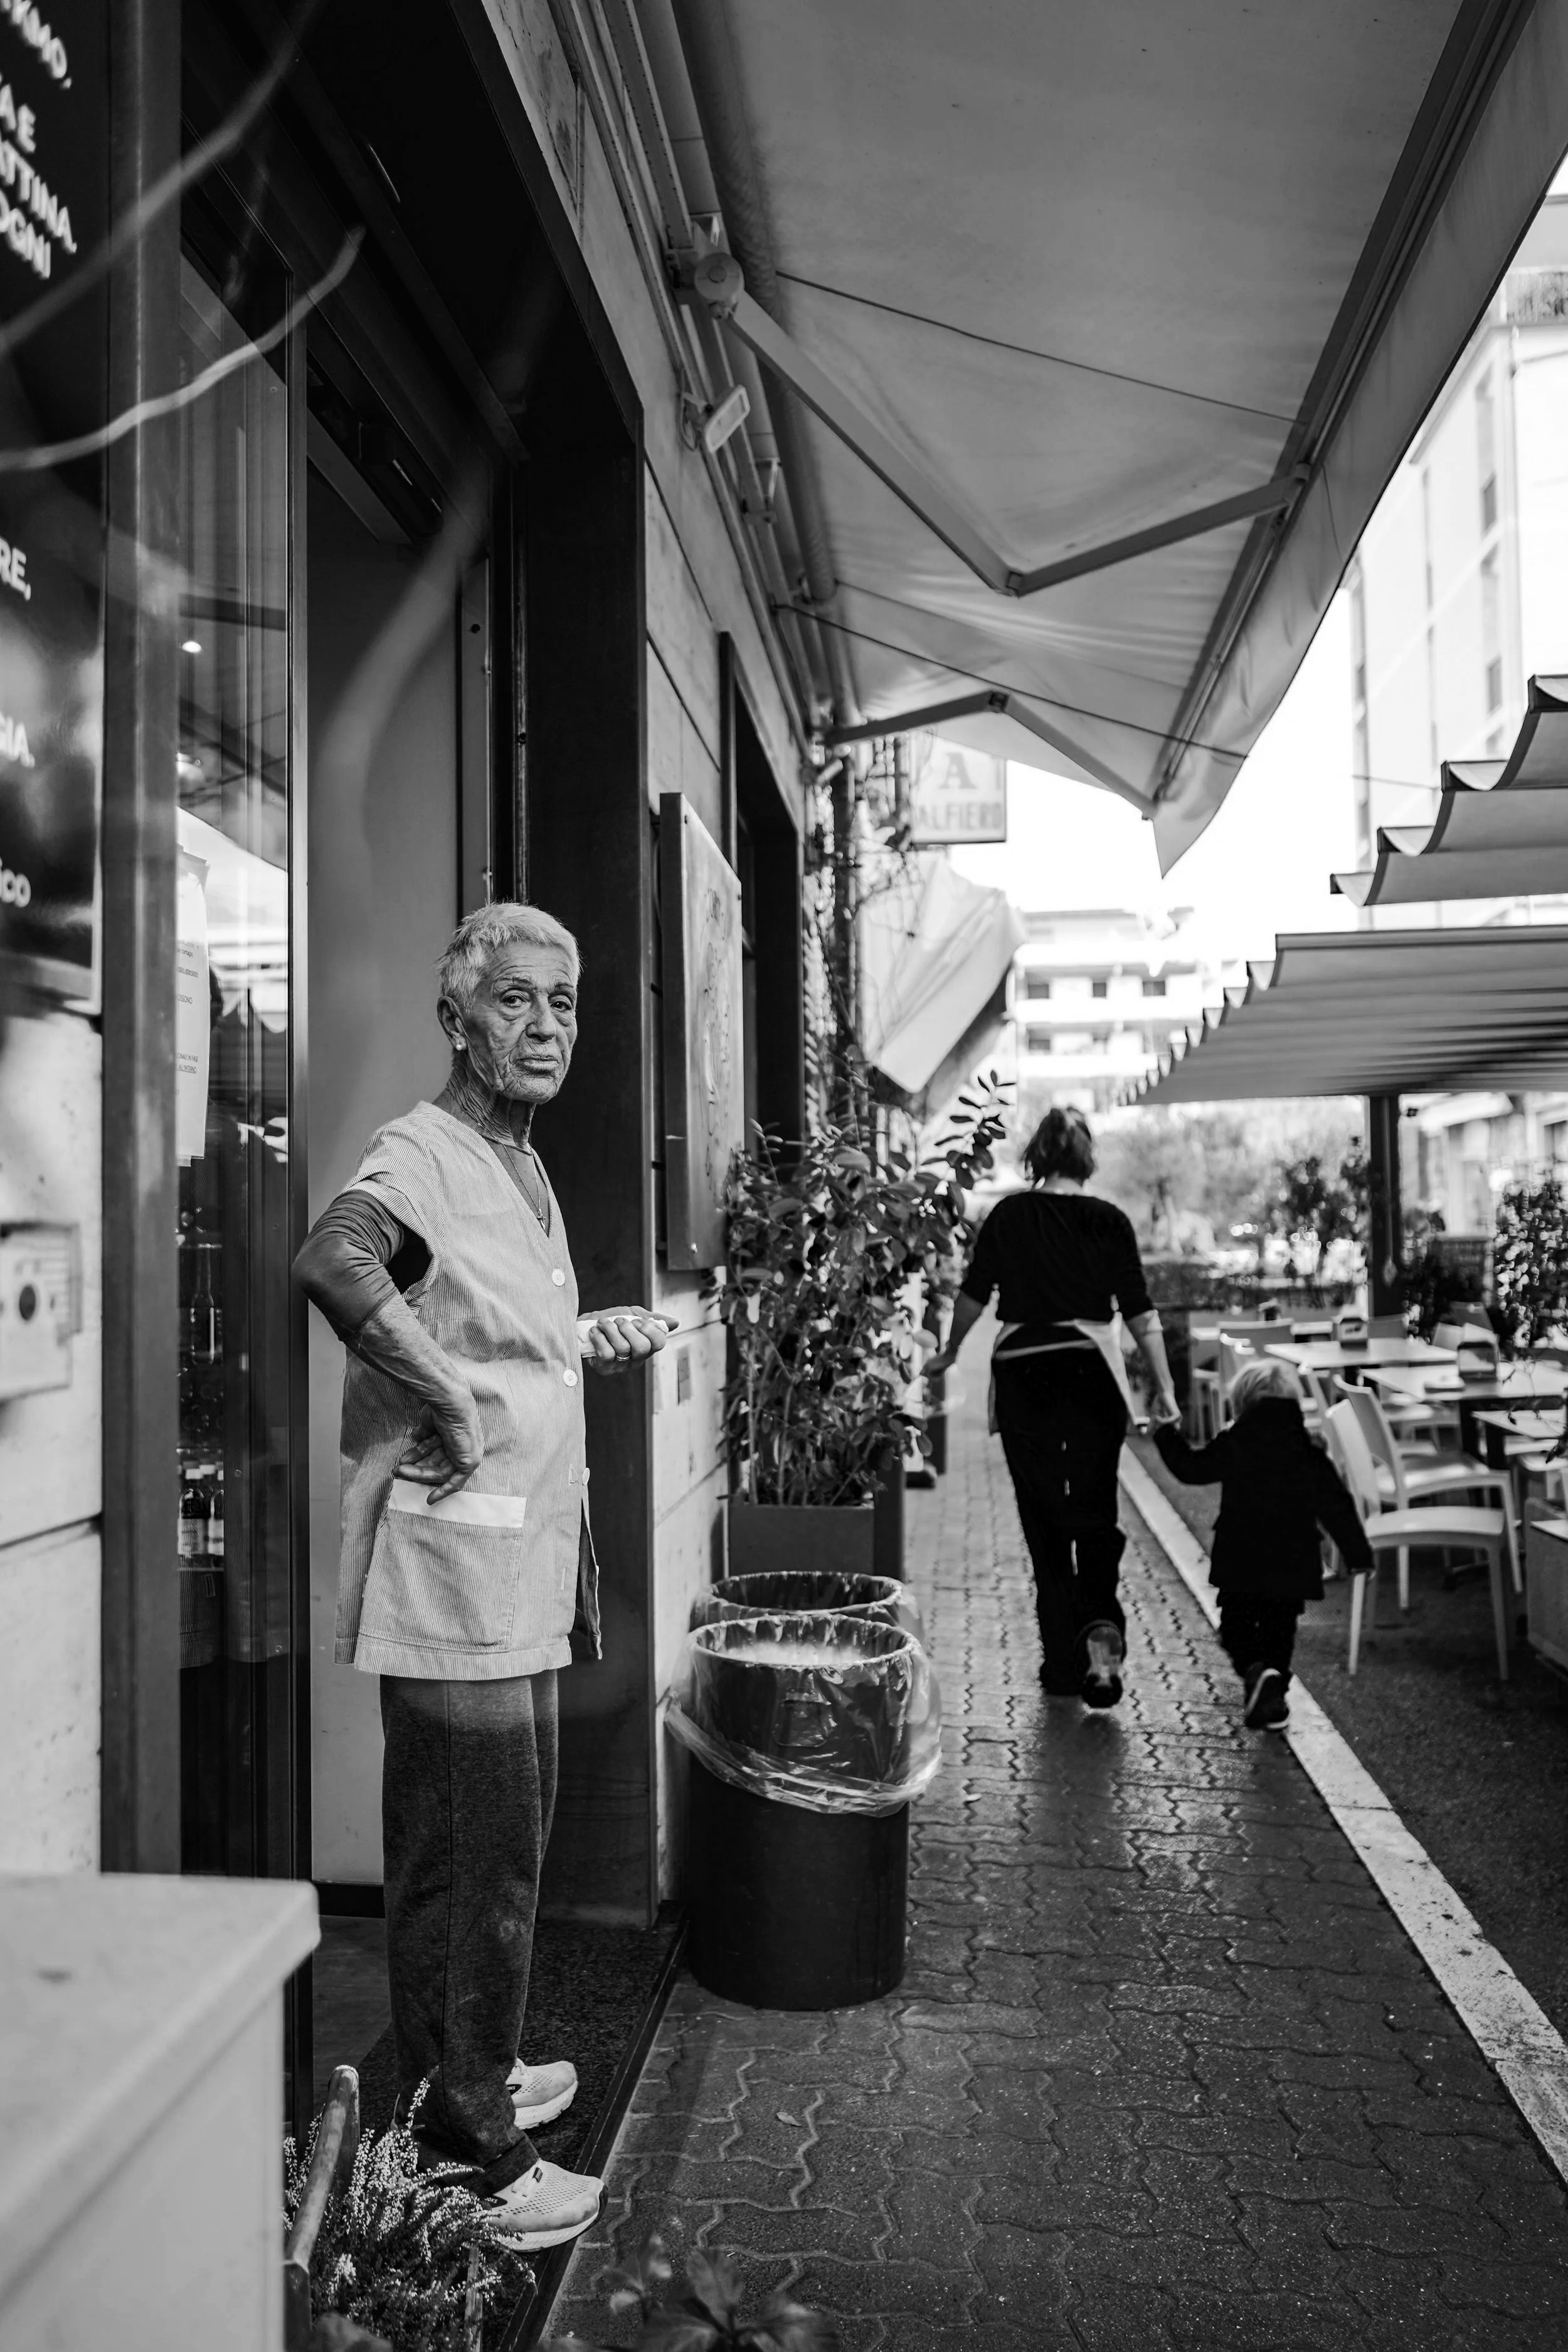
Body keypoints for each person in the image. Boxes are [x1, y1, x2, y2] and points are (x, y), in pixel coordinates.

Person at [294, 902, 669, 2252]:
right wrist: (441, 1395)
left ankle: (474, 2067)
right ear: (454, 1016)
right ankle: (469, 2153)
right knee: (472, 1864)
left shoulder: (515, 1161)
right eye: (515, 1001)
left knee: (494, 1850)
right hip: (455, 1581)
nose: (546, 1027)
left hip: (514, 1574)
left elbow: (479, 1317)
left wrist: (577, 1339)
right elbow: (335, 1261)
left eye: (562, 1004)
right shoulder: (425, 1149)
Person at [927, 1106, 1178, 1707]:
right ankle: (1099, 1631)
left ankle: (1061, 1664)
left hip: (1025, 1373)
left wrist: (949, 1354)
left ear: (1036, 1156)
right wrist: (1163, 1386)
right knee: (1093, 1507)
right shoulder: (1109, 1220)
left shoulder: (1009, 1215)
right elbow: (1140, 1313)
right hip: (1093, 1372)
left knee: (1043, 1518)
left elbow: (973, 1296)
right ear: (1086, 1159)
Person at [1153, 1357, 1371, 1730]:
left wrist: (1164, 1434)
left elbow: (1192, 1469)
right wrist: (1357, 1553)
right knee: (1279, 1632)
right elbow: (1336, 1504)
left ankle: (1257, 1672)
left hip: (1242, 1558)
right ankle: (1273, 1692)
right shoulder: (1308, 1449)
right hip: (1294, 1561)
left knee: (1236, 1630)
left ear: (1243, 1402)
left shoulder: (1236, 1442)